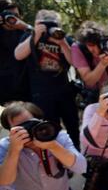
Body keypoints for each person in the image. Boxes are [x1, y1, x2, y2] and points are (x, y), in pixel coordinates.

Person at [14, 10, 80, 148]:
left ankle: (77, 155)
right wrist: (36, 34)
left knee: (73, 125)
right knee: (49, 128)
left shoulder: (64, 39)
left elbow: (75, 63)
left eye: (52, 23)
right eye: (44, 23)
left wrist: (62, 43)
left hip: (64, 91)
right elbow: (18, 55)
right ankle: (56, 159)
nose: (48, 26)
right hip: (41, 92)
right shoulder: (30, 36)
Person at [0, 0, 30, 105]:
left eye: (16, 16)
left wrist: (25, 26)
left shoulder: (25, 33)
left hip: (26, 92)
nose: (13, 20)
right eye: (8, 16)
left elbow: (40, 37)